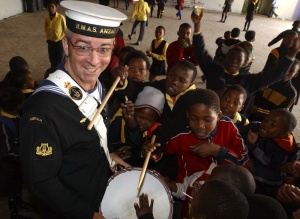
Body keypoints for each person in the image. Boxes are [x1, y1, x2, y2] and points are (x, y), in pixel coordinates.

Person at [19, 1, 128, 218]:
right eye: (83, 47)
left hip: (99, 191)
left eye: (104, 49)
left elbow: (84, 137)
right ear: (66, 46)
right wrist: (88, 214)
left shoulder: (96, 85)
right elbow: (41, 181)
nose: (94, 61)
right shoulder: (42, 110)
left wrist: (105, 154)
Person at [191, 9, 300, 113]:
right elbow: (200, 51)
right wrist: (197, 26)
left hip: (234, 125)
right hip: (209, 116)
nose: (234, 61)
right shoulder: (213, 70)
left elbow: (276, 74)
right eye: (231, 57)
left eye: (238, 59)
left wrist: (292, 53)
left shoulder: (249, 81)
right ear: (225, 58)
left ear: (245, 63)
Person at [245, 109, 298, 198]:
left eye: (273, 125)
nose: (266, 124)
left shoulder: (283, 151)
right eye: (266, 120)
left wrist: (254, 146)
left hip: (266, 179)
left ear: (283, 134)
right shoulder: (256, 126)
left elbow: (270, 166)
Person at [111, 86, 165, 166]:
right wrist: (114, 153)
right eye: (140, 117)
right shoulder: (118, 123)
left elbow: (138, 147)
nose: (143, 122)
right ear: (133, 111)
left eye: (149, 120)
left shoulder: (155, 132)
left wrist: (141, 154)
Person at [0, 87, 32, 219]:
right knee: (12, 187)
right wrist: (23, 156)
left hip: (17, 162)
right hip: (9, 165)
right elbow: (6, 150)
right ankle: (14, 213)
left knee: (18, 184)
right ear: (19, 105)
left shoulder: (15, 116)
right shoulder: (3, 124)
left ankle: (18, 202)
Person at [44, 0, 66, 68]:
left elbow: (65, 29)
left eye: (52, 6)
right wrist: (48, 38)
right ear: (47, 8)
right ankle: (53, 71)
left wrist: (65, 40)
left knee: (60, 59)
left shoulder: (61, 17)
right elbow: (46, 29)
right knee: (52, 59)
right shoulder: (47, 18)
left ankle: (60, 72)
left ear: (56, 7)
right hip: (51, 43)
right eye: (49, 6)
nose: (51, 8)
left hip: (59, 42)